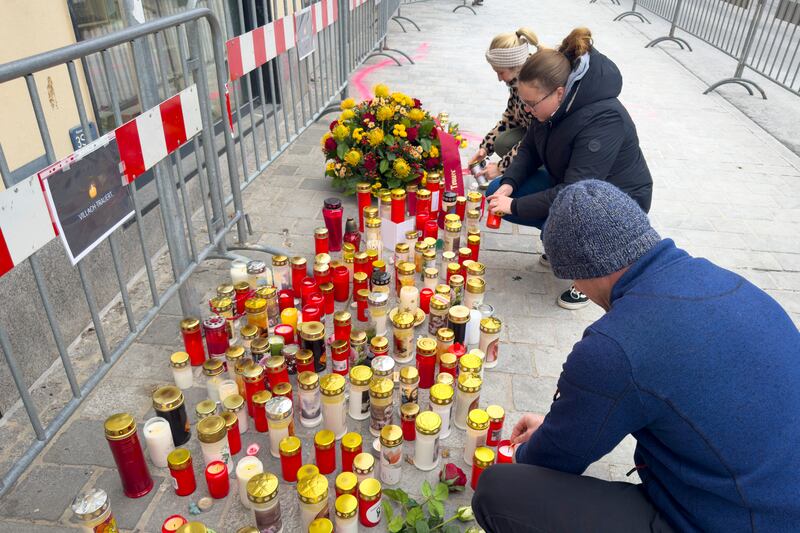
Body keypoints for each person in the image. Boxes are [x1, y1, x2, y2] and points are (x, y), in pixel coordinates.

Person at [472, 180, 800, 533]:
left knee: (499, 491)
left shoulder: (614, 346)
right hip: (772, 498)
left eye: (572, 279)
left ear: (581, 271)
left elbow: (551, 460)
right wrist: (560, 430)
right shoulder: (729, 282)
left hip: (730, 521)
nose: (577, 289)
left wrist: (525, 451)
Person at [485, 28, 653, 310]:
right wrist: (509, 184)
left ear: (560, 92)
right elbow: (529, 149)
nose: (527, 110)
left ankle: (591, 273)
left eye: (531, 104)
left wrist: (514, 205)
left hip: (616, 202)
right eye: (524, 103)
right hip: (572, 187)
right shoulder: (549, 105)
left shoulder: (604, 119)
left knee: (550, 214)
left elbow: (576, 192)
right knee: (496, 190)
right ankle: (560, 242)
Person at [469, 28, 538, 181]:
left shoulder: (534, 86)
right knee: (501, 143)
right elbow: (510, 118)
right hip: (533, 134)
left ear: (516, 66)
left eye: (501, 72)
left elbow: (535, 138)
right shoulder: (517, 80)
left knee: (496, 187)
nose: (499, 79)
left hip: (546, 144)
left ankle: (538, 172)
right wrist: (485, 148)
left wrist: (501, 167)